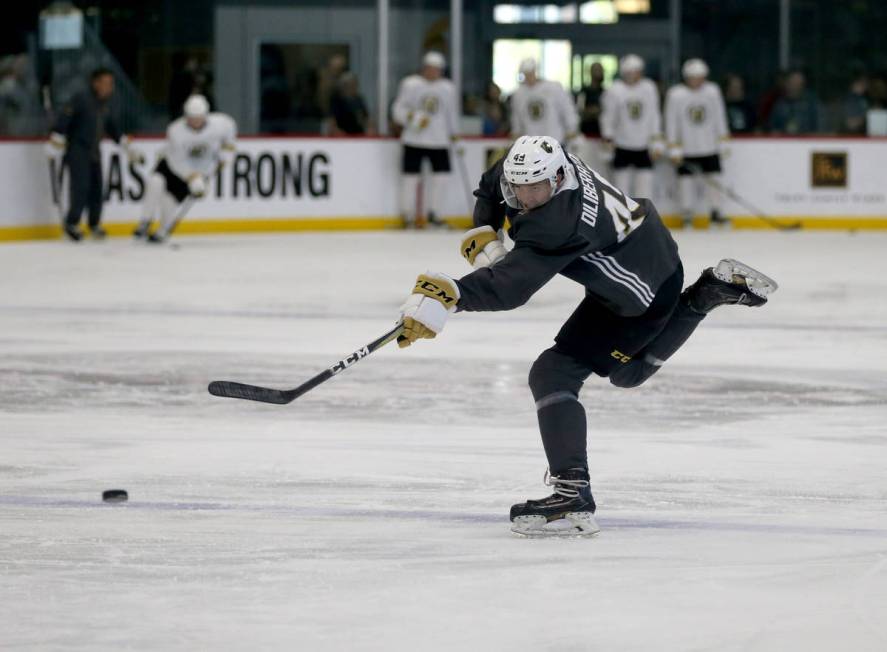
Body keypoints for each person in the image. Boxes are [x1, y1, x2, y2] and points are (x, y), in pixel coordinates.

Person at [394, 135, 778, 537]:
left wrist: (449, 296)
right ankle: (703, 295)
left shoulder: (559, 222)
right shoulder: (534, 159)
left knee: (579, 374)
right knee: (573, 372)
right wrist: (483, 227)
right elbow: (493, 186)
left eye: (534, 188)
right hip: (642, 252)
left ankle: (573, 492)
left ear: (558, 179)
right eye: (517, 186)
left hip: (642, 291)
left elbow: (510, 287)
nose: (523, 196)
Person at [47, 67, 142, 241]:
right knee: (80, 187)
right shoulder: (81, 99)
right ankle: (72, 223)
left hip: (94, 151)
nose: (110, 87)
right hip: (77, 150)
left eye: (111, 84)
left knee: (97, 188)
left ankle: (94, 223)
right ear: (95, 83)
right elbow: (64, 118)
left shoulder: (104, 104)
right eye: (106, 83)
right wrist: (56, 138)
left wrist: (125, 145)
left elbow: (112, 128)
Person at [132, 94, 236, 244]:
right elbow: (176, 161)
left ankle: (162, 231)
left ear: (205, 115)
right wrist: (192, 177)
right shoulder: (175, 130)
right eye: (191, 117)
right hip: (171, 167)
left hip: (199, 172)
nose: (194, 122)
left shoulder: (220, 124)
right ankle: (145, 221)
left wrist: (227, 154)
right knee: (155, 182)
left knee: (169, 203)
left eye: (198, 117)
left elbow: (230, 132)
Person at [391, 51, 459, 229]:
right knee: (410, 177)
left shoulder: (448, 88)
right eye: (430, 68)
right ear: (424, 68)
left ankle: (435, 214)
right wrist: (412, 118)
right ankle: (407, 215)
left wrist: (454, 136)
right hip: (414, 139)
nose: (433, 72)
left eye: (437, 69)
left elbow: (451, 114)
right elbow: (398, 109)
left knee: (441, 177)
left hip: (439, 141)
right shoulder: (410, 84)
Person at [664, 58, 731, 228]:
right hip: (685, 147)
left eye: (699, 77)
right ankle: (687, 214)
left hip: (709, 145)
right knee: (685, 182)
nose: (696, 81)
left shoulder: (712, 91)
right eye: (693, 77)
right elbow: (670, 121)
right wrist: (673, 146)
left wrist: (723, 139)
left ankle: (716, 212)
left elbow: (719, 115)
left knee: (714, 179)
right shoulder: (676, 94)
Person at [599, 54, 664, 201]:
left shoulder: (649, 87)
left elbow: (654, 115)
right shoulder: (615, 90)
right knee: (620, 185)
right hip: (622, 143)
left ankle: (644, 216)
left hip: (644, 144)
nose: (633, 76)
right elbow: (608, 116)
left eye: (636, 72)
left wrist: (657, 141)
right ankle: (622, 216)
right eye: (629, 73)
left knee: (645, 184)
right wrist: (608, 137)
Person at [509, 58, 579, 146]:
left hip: (555, 140)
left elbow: (567, 109)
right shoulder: (519, 94)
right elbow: (516, 117)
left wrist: (572, 128)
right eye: (526, 74)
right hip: (531, 143)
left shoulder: (554, 88)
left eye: (531, 73)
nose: (529, 77)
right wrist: (516, 131)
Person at [768, 70, 819, 134]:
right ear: (786, 84)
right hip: (784, 142)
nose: (793, 87)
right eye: (791, 83)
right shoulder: (779, 104)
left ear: (802, 86)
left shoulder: (811, 104)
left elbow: (818, 129)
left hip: (806, 142)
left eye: (797, 84)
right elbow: (772, 128)